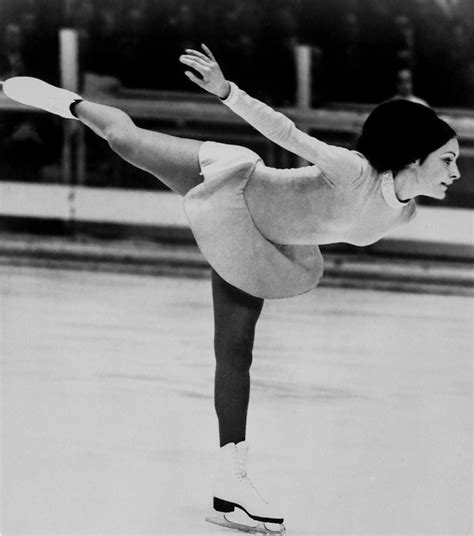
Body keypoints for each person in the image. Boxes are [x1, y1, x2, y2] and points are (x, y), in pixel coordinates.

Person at [1, 43, 461, 535]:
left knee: (235, 354)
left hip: (259, 241)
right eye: (447, 160)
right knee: (124, 139)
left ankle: (230, 484)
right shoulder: (354, 172)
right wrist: (226, 91)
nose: (456, 172)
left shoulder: (405, 210)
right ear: (414, 160)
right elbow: (286, 132)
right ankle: (63, 101)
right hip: (231, 187)